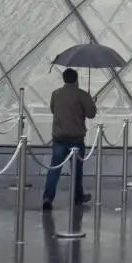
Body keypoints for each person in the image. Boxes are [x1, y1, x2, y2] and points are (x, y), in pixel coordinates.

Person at [42, 68, 96, 209]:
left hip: (59, 138)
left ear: (64, 79)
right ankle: (78, 197)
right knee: (77, 170)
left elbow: (53, 110)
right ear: (76, 79)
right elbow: (91, 114)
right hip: (76, 139)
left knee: (54, 169)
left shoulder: (56, 94)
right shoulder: (82, 95)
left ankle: (48, 197)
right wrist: (89, 101)